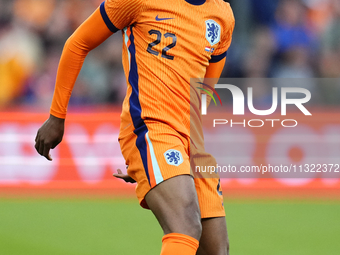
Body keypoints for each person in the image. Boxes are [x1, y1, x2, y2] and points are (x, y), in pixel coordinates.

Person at [34, 0, 235, 254]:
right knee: (184, 226)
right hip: (150, 127)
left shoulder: (222, 15)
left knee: (217, 250)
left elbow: (202, 94)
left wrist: (158, 166)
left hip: (189, 142)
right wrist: (56, 116)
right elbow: (78, 43)